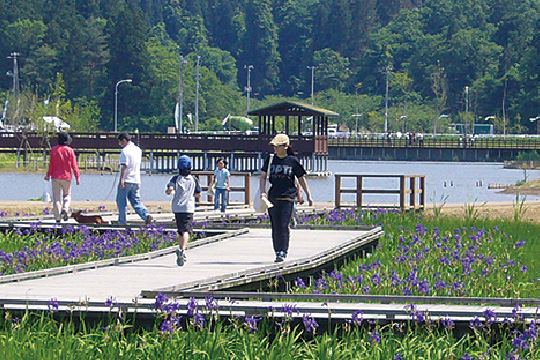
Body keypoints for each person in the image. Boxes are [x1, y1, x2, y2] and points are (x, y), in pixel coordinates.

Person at [259, 133, 313, 263]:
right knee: (275, 226)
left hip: (288, 197)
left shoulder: (292, 161)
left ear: (286, 146)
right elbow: (262, 177)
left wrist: (308, 195)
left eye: (278, 146)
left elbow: (301, 179)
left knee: (283, 225)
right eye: (274, 147)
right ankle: (277, 251)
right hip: (272, 197)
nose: (275, 149)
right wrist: (262, 192)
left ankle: (283, 251)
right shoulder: (270, 159)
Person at [166, 155, 201, 266]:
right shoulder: (194, 179)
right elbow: (198, 193)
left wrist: (169, 191)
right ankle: (183, 251)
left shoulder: (175, 179)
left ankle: (181, 247)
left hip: (177, 207)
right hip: (189, 207)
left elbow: (170, 189)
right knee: (186, 231)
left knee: (180, 230)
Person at [116, 132, 152, 225]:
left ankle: (122, 221)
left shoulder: (125, 151)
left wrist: (122, 180)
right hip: (136, 180)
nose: (120, 144)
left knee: (121, 202)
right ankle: (145, 215)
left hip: (127, 179)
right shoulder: (138, 150)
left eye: (120, 142)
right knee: (136, 202)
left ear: (124, 140)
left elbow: (125, 166)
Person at [44, 132, 81, 223]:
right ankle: (65, 208)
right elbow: (74, 165)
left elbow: (51, 164)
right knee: (67, 195)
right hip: (67, 177)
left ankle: (57, 218)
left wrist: (48, 175)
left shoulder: (54, 150)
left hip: (55, 177)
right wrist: (77, 176)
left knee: (56, 199)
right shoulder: (70, 150)